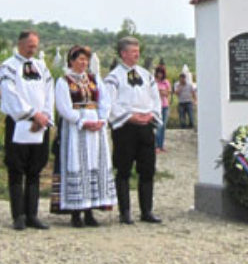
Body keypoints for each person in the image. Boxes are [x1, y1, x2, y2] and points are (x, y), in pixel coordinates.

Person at [53, 45, 116, 227]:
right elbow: (63, 107)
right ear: (71, 61)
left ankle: (90, 210)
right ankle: (75, 212)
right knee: (77, 163)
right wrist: (81, 121)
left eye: (85, 60)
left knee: (94, 164)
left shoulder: (94, 79)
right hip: (75, 129)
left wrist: (102, 119)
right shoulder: (64, 81)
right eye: (80, 59)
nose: (83, 63)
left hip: (96, 129)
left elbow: (104, 100)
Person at [0, 30, 54, 230]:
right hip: (19, 123)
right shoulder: (8, 67)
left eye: (35, 46)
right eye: (30, 46)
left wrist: (44, 116)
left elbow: (49, 92)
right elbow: (10, 95)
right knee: (16, 169)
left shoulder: (42, 67)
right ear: (20, 44)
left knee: (35, 169)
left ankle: (32, 214)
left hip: (40, 125)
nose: (33, 49)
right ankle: (18, 215)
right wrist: (31, 114)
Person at [105, 36, 162, 224]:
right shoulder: (114, 78)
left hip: (145, 126)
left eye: (138, 51)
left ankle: (146, 210)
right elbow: (110, 103)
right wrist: (128, 116)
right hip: (125, 128)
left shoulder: (146, 75)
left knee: (147, 170)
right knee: (123, 170)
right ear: (123, 53)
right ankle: (125, 212)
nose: (137, 54)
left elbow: (155, 98)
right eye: (133, 51)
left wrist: (151, 115)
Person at [154, 65, 171, 152]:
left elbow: (167, 93)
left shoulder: (166, 82)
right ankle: (156, 145)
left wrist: (161, 92)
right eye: (158, 73)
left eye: (161, 73)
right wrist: (161, 92)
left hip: (165, 105)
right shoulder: (154, 82)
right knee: (158, 126)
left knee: (163, 126)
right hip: (156, 106)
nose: (160, 74)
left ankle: (161, 145)